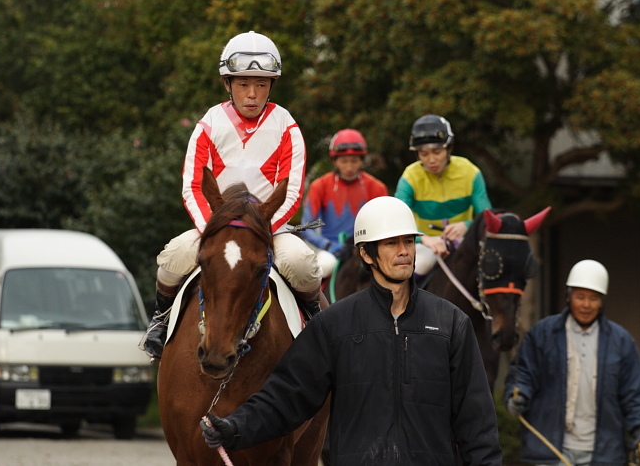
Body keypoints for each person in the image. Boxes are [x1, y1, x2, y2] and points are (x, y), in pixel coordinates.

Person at [201, 196, 502, 465]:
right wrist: (235, 427)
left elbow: (477, 421)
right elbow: (287, 397)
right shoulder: (334, 325)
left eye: (409, 242)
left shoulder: (452, 323)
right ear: (367, 254)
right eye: (391, 243)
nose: (403, 252)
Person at [139, 31, 323, 360]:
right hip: (215, 227)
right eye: (243, 84)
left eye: (262, 84)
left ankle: (321, 330)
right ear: (228, 83)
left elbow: (292, 191)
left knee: (301, 263)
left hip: (269, 229)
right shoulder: (209, 123)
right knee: (172, 258)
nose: (252, 94)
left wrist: (262, 229)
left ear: (271, 86)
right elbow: (192, 185)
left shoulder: (287, 126)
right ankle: (160, 321)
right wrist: (211, 228)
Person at [504, 259, 640, 465]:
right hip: (549, 449)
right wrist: (517, 394)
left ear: (601, 301)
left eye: (593, 298)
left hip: (604, 455)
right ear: (568, 297)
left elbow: (634, 393)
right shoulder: (542, 334)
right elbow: (523, 373)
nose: (586, 304)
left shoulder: (621, 342)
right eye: (580, 296)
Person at [395, 114, 492, 277]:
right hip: (424, 244)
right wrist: (424, 239)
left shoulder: (470, 172)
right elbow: (396, 222)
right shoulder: (409, 177)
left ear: (449, 148)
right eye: (424, 154)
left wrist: (467, 226)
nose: (431, 160)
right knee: (420, 264)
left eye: (437, 151)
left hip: (465, 242)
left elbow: (489, 218)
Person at [300, 128, 388, 278]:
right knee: (322, 267)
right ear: (334, 161)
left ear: (361, 160)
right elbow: (306, 228)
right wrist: (327, 245)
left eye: (354, 161)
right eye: (343, 161)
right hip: (332, 251)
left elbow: (384, 225)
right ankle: (311, 302)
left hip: (366, 249)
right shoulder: (319, 186)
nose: (349, 167)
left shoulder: (377, 188)